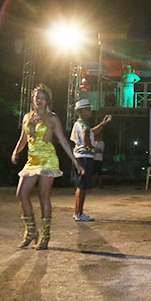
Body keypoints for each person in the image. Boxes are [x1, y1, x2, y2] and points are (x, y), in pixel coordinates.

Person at [11, 84, 85, 250]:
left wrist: (75, 162)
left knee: (44, 195)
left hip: (48, 159)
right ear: (33, 98)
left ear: (47, 100)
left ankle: (45, 236)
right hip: (32, 159)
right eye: (36, 97)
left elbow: (63, 141)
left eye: (42, 98)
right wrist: (16, 152)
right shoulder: (27, 117)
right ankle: (31, 231)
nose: (39, 100)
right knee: (21, 194)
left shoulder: (52, 118)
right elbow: (22, 139)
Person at [70, 99, 111, 221]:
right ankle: (79, 213)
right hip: (85, 158)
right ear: (82, 111)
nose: (90, 111)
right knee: (83, 187)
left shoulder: (79, 123)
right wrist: (89, 145)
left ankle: (77, 212)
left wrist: (102, 124)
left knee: (80, 186)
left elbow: (91, 132)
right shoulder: (84, 125)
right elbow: (86, 135)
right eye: (88, 109)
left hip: (79, 157)